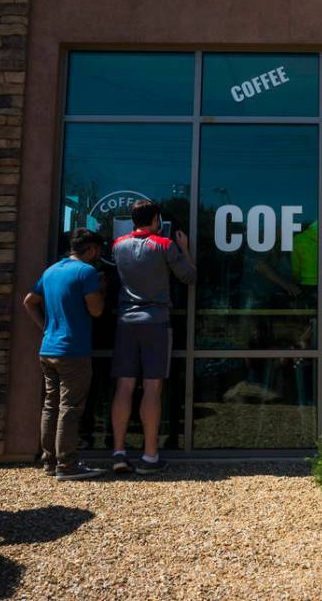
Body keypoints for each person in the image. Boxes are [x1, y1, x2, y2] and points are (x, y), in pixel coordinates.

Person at [110, 200, 195, 474]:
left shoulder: (118, 245)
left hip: (125, 320)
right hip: (155, 321)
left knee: (124, 386)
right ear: (156, 219)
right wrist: (185, 248)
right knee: (151, 388)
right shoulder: (164, 244)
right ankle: (149, 456)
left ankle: (119, 452)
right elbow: (189, 276)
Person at [23, 228, 107, 481]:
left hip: (48, 348)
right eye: (98, 251)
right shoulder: (87, 272)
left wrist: (46, 327)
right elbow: (96, 311)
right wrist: (102, 289)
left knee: (51, 405)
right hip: (73, 351)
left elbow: (29, 301)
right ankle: (67, 464)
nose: (98, 256)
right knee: (69, 408)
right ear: (91, 249)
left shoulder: (51, 271)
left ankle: (49, 461)